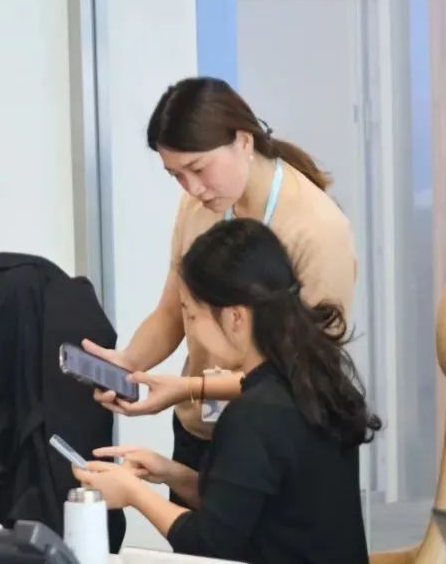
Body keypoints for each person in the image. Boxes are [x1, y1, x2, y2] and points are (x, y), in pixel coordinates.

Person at [84, 76, 357, 484]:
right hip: (202, 431)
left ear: (243, 141)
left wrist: (189, 388)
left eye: (198, 169)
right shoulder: (198, 207)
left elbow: (308, 372)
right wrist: (128, 366)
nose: (193, 188)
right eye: (176, 175)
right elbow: (171, 312)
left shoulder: (317, 228)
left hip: (274, 439)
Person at [76, 218, 379, 563]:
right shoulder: (315, 384)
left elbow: (210, 544)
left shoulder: (255, 416)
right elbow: (251, 510)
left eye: (192, 316)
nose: (190, 331)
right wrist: (172, 474)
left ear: (236, 318)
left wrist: (133, 493)